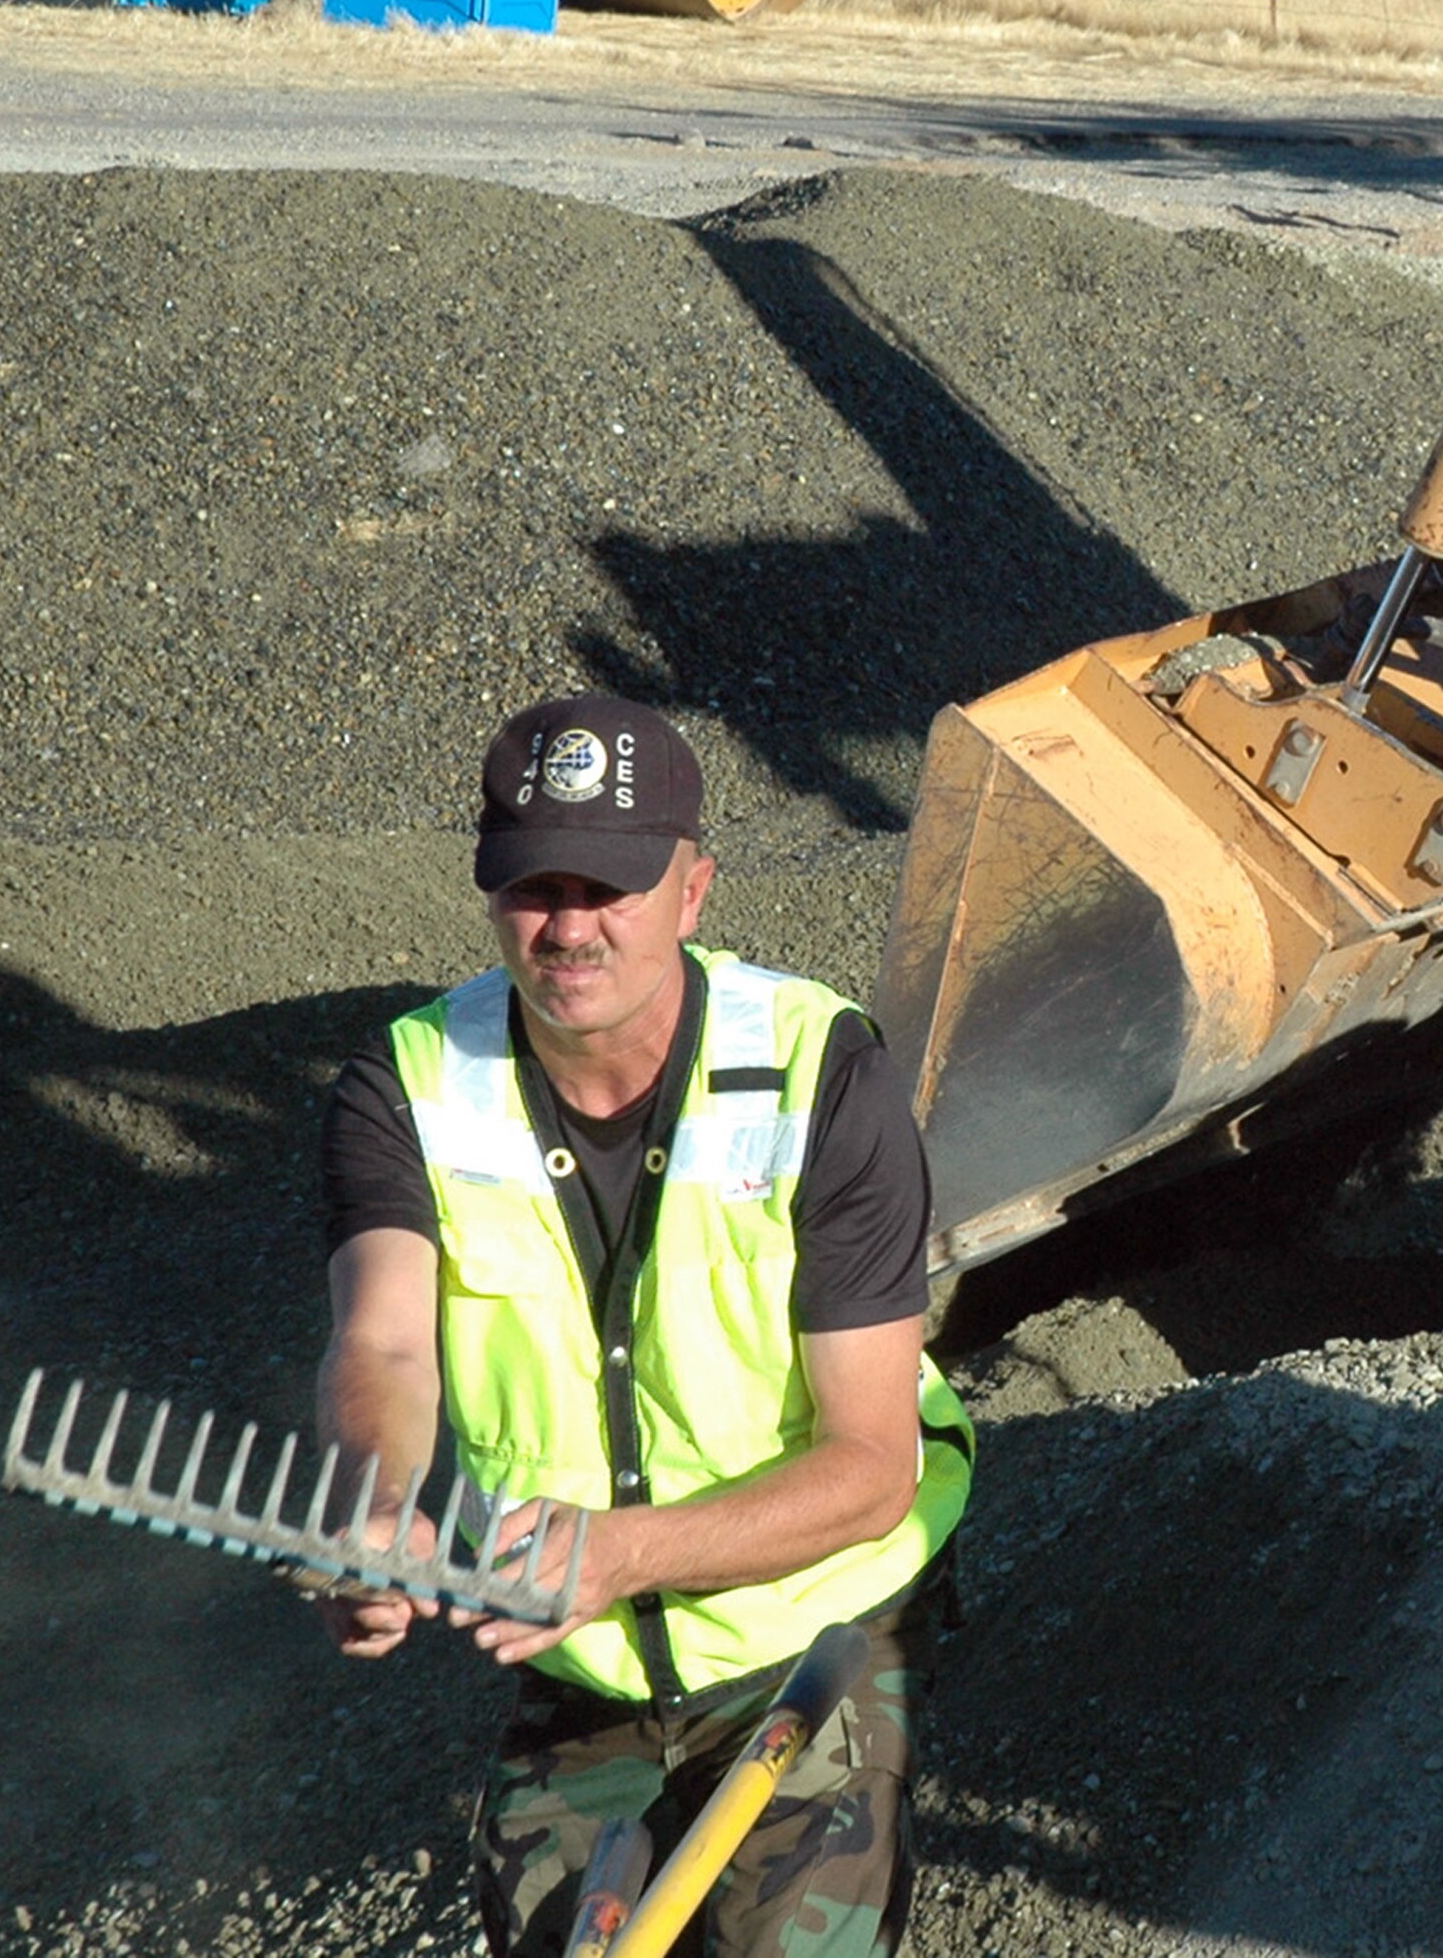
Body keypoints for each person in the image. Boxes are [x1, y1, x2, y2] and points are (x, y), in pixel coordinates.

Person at [315, 692, 974, 1958]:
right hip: (587, 1658)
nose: (569, 926)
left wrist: (617, 1551)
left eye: (609, 885)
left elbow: (870, 1469)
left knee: (786, 1938)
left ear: (691, 890)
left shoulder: (816, 1071)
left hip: (808, 1623)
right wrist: (377, 1499)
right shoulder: (406, 1084)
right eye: (533, 885)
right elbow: (384, 1342)